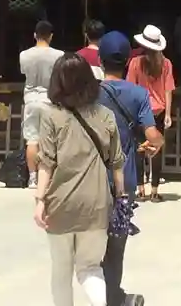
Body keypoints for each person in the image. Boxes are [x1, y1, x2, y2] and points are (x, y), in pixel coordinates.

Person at [34, 52, 127, 306]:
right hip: (97, 203)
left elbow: (46, 164)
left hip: (60, 202)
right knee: (90, 268)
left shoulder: (51, 116)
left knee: (61, 271)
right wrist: (121, 197)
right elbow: (117, 162)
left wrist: (40, 200)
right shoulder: (105, 115)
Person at [97, 32, 160, 306]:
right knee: (116, 244)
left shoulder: (89, 93)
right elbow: (152, 134)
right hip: (124, 180)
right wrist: (155, 144)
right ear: (126, 62)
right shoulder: (138, 94)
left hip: (91, 178)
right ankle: (112, 296)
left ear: (100, 60)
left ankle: (99, 295)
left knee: (91, 244)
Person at [126, 25, 175, 201]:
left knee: (139, 149)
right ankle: (154, 190)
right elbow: (168, 89)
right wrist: (168, 113)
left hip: (140, 111)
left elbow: (130, 88)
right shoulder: (166, 63)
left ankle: (140, 189)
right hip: (158, 111)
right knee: (156, 149)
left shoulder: (135, 63)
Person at [22, 20, 65, 186]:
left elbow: (24, 72)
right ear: (51, 36)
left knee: (32, 140)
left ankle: (33, 178)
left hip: (31, 98)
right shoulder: (59, 55)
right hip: (50, 99)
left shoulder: (24, 55)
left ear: (35, 35)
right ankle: (47, 176)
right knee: (50, 140)